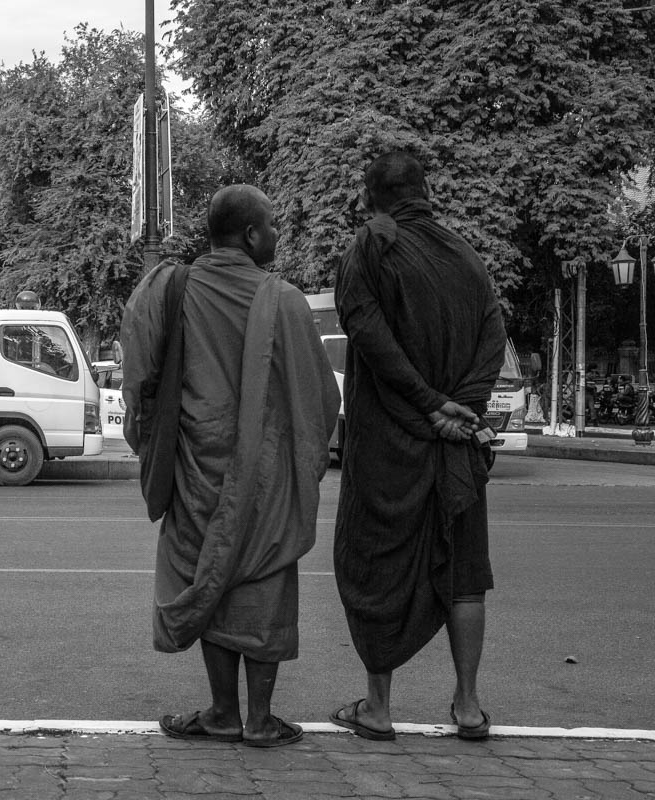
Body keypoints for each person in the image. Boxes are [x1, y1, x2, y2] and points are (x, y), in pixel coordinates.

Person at [121, 185, 340, 748]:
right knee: (262, 579)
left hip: (196, 463)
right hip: (264, 469)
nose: (276, 234)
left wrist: (147, 437)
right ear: (249, 235)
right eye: (270, 225)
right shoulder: (284, 300)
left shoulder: (173, 289)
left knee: (206, 577)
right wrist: (300, 452)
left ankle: (222, 711)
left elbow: (140, 372)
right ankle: (259, 719)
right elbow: (319, 397)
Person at [330, 152, 506, 742]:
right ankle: (468, 705)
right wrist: (463, 408)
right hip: (456, 442)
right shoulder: (467, 258)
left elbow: (369, 336)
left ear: (370, 197)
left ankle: (377, 707)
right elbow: (493, 335)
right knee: (463, 572)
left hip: (389, 443)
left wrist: (431, 405)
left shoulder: (368, 250)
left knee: (375, 563)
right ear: (425, 194)